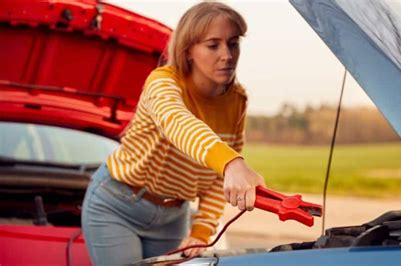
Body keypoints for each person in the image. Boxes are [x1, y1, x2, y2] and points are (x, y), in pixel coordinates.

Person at [81, 2, 265, 265]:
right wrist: (231, 162)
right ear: (188, 51)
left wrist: (201, 229)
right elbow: (176, 122)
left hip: (173, 217)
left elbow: (216, 180)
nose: (227, 55)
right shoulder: (162, 82)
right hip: (117, 205)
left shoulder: (237, 100)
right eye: (213, 45)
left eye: (233, 43)